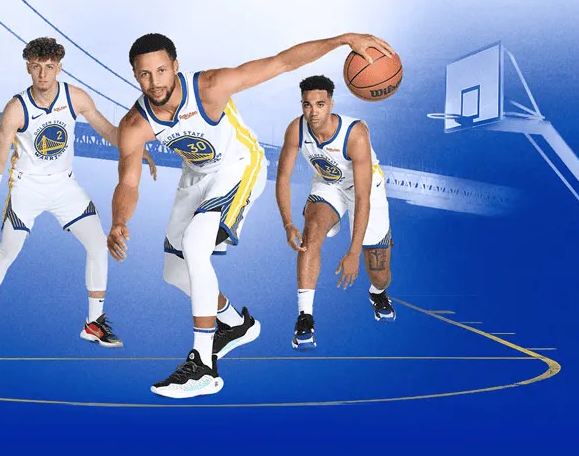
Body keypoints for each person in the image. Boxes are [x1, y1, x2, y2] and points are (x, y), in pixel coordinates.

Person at [108, 31, 393, 398]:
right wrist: (120, 221)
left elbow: (281, 62)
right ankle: (235, 324)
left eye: (161, 70)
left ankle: (203, 367)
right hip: (196, 175)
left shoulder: (210, 87)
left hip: (239, 165)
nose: (154, 82)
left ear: (175, 67)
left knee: (195, 246)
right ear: (135, 75)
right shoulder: (134, 124)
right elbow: (128, 182)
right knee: (174, 272)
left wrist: (342, 40)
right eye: (145, 74)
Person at [0, 37, 156, 352]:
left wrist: (135, 148)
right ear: (28, 68)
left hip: (64, 185)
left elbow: (107, 130)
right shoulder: (16, 109)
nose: (43, 74)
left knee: (98, 244)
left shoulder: (75, 97)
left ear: (59, 68)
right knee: (6, 253)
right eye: (37, 67)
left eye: (49, 67)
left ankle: (94, 323)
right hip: (27, 188)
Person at [276, 75, 396, 351]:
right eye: (307, 104)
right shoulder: (296, 129)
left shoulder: (355, 134)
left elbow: (363, 197)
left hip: (366, 190)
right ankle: (305, 317)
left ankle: (377, 293)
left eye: (320, 104)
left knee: (379, 274)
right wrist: (287, 224)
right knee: (311, 234)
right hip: (329, 185)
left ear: (331, 103)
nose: (313, 112)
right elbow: (283, 178)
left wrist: (353, 252)